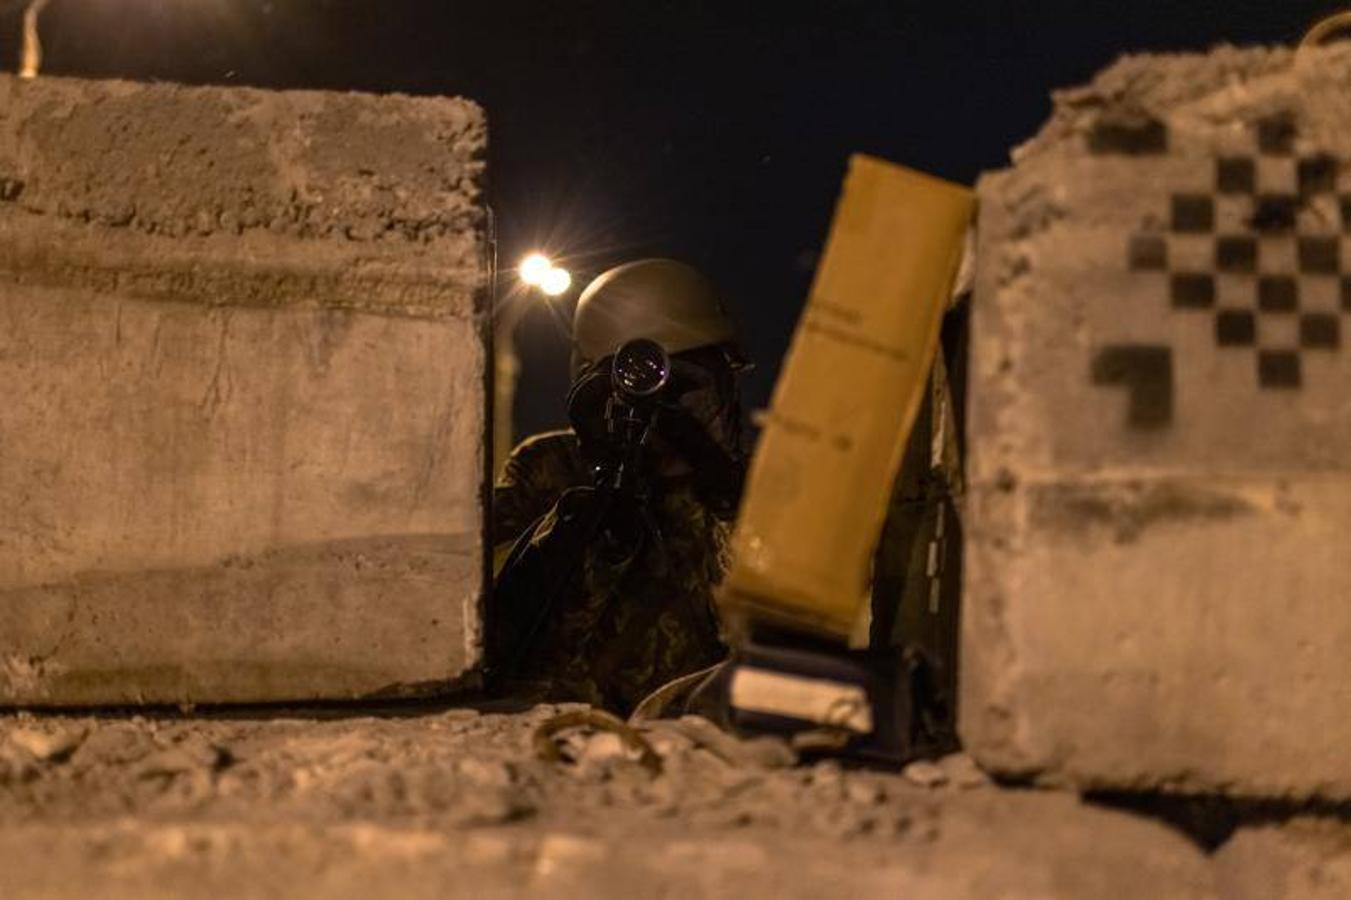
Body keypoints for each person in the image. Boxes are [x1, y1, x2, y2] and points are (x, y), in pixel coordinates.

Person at [486, 258, 749, 716]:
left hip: (696, 734)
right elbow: (494, 614)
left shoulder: (743, 491)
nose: (673, 408)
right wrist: (604, 486)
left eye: (692, 384)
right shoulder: (551, 470)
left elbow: (767, 634)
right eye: (649, 386)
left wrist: (719, 483)